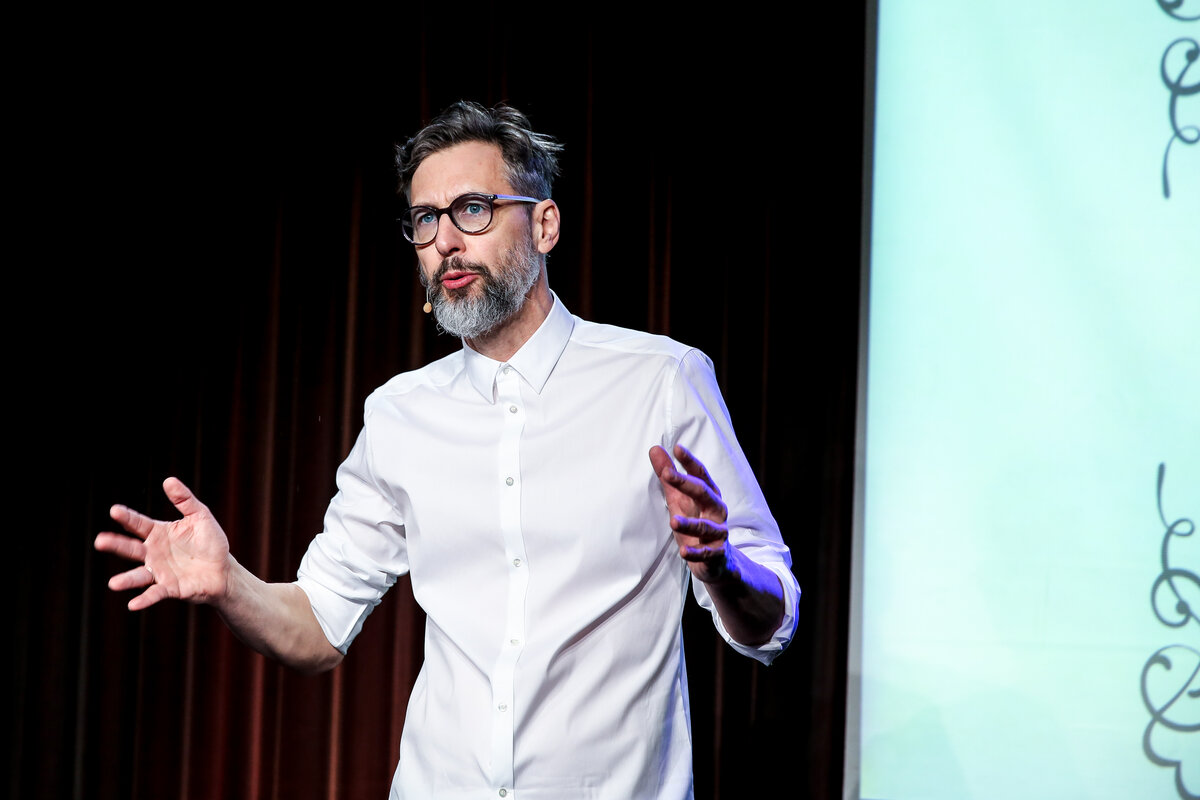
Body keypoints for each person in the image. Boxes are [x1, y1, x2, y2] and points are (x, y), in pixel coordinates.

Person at [95, 100, 801, 800]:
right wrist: (230, 585)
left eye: (473, 209)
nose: (446, 242)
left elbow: (774, 622)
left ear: (545, 225)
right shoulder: (400, 414)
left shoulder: (661, 380)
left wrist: (725, 570)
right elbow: (318, 626)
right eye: (426, 219)